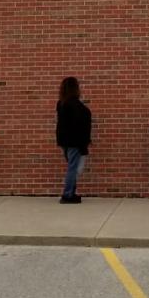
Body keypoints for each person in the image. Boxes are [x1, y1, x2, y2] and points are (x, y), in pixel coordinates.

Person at [55, 76, 92, 204]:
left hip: (64, 141)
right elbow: (81, 121)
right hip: (74, 141)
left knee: (72, 167)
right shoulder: (75, 104)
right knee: (73, 168)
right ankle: (68, 194)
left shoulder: (61, 103)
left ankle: (71, 192)